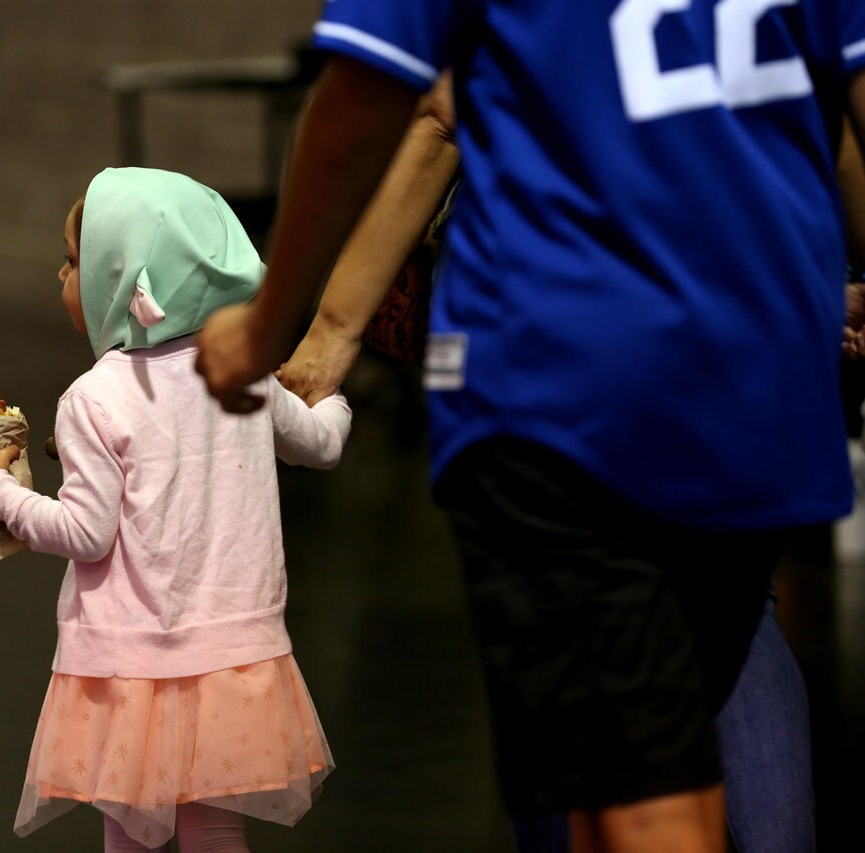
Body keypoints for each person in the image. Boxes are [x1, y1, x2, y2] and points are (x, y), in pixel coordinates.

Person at [194, 3, 865, 851]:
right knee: (703, 667)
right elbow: (840, 105)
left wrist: (288, 324)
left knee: (609, 758)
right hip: (754, 367)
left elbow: (409, 106)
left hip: (558, 370)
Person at [0, 167, 351, 852]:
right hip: (232, 656)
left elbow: (84, 531)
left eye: (75, 261)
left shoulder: (94, 398)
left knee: (128, 836)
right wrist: (327, 392)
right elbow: (321, 443)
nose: (61, 275)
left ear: (123, 277)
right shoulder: (245, 375)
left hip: (130, 667)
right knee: (215, 835)